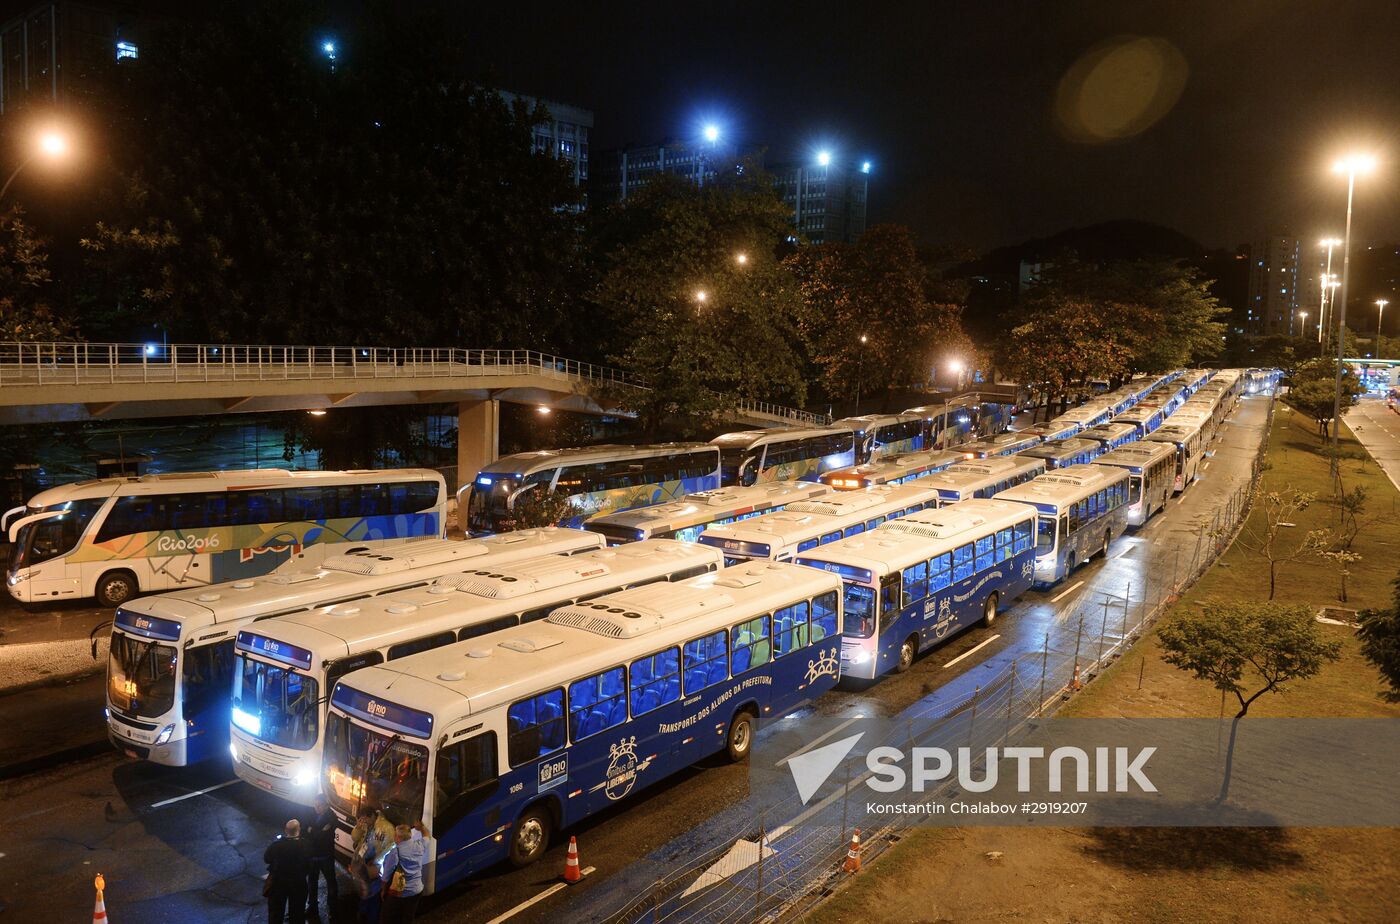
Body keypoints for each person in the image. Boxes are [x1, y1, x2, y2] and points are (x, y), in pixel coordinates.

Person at [378, 821, 429, 924]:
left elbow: (386, 877)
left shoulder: (395, 852)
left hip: (400, 893)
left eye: (395, 835)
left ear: (398, 837)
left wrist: (383, 891)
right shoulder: (419, 845)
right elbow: (427, 836)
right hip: (416, 891)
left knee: (387, 918)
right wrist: (422, 828)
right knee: (408, 918)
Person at [264, 818, 309, 924]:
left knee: (276, 913)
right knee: (297, 913)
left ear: (285, 830)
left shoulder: (277, 845)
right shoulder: (305, 845)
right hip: (298, 883)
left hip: (278, 883)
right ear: (299, 830)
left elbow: (267, 859)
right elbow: (309, 864)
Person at [304, 794, 339, 920]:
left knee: (331, 882)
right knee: (312, 882)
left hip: (325, 856)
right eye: (315, 805)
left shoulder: (332, 818)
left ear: (326, 806)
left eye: (319, 806)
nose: (316, 808)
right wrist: (318, 832)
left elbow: (322, 837)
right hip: (314, 855)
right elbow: (306, 829)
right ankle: (312, 907)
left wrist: (312, 831)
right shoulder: (313, 814)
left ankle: (333, 908)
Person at [350, 856, 383, 924]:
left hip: (365, 889)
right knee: (373, 908)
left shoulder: (360, 865)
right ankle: (370, 919)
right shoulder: (374, 866)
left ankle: (362, 916)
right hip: (374, 889)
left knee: (365, 903)